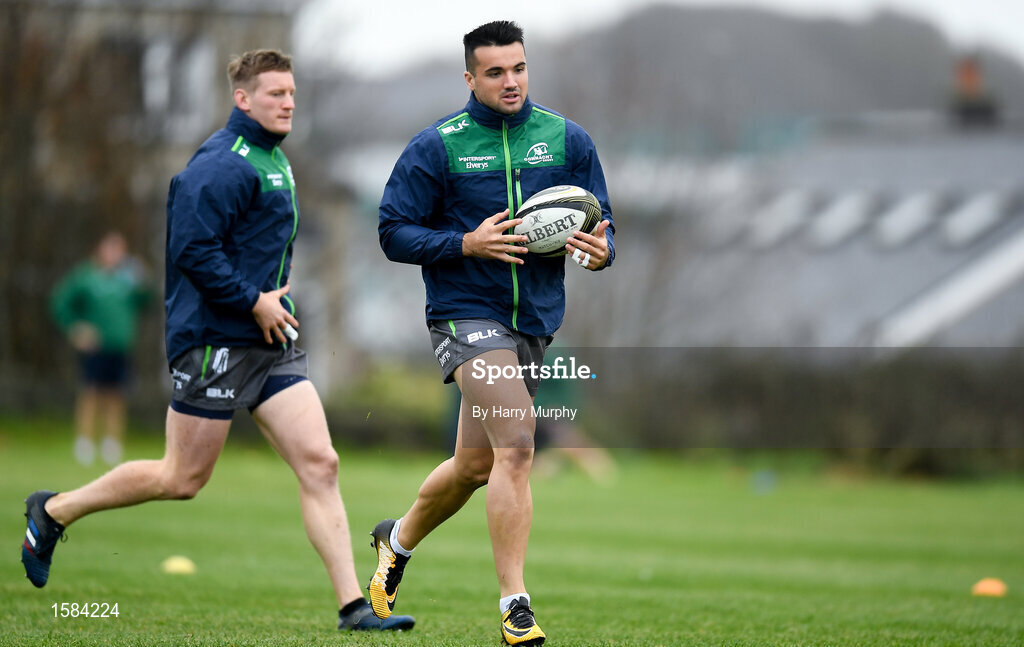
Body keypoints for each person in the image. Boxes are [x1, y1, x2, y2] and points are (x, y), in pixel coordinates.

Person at [21, 49, 414, 633]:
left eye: (291, 92)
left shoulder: (273, 159)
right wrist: (252, 300)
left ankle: (354, 607)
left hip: (270, 339)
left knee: (321, 463)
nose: (287, 101)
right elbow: (191, 250)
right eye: (275, 93)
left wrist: (271, 303)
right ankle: (52, 511)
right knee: (182, 478)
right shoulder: (220, 164)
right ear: (243, 99)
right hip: (214, 340)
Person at [371, 21, 615, 646]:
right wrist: (465, 243)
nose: (511, 81)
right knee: (517, 443)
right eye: (496, 72)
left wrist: (599, 248)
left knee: (473, 465)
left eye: (519, 68)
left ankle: (394, 542)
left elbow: (600, 219)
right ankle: (516, 606)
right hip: (464, 312)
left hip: (533, 320)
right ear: (470, 77)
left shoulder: (567, 139)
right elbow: (393, 230)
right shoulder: (438, 146)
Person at [50, 230, 152, 466]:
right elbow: (60, 303)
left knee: (117, 394)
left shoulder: (127, 280)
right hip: (95, 348)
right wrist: (75, 328)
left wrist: (144, 280)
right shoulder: (86, 277)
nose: (115, 254)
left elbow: (147, 300)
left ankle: (111, 444)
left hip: (121, 347)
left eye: (120, 250)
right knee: (91, 393)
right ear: (101, 249)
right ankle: (84, 443)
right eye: (111, 248)